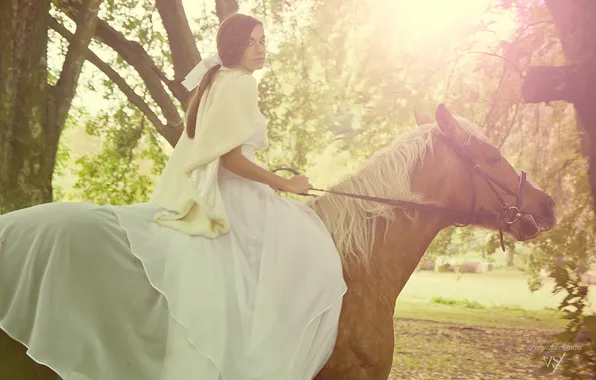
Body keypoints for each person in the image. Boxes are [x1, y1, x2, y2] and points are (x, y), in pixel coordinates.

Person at [0, 12, 347, 380]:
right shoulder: (241, 83)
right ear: (233, 46)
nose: (261, 49)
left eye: (263, 41)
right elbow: (228, 158)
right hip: (234, 197)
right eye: (252, 42)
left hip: (225, 191)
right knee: (305, 257)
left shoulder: (219, 81)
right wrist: (285, 185)